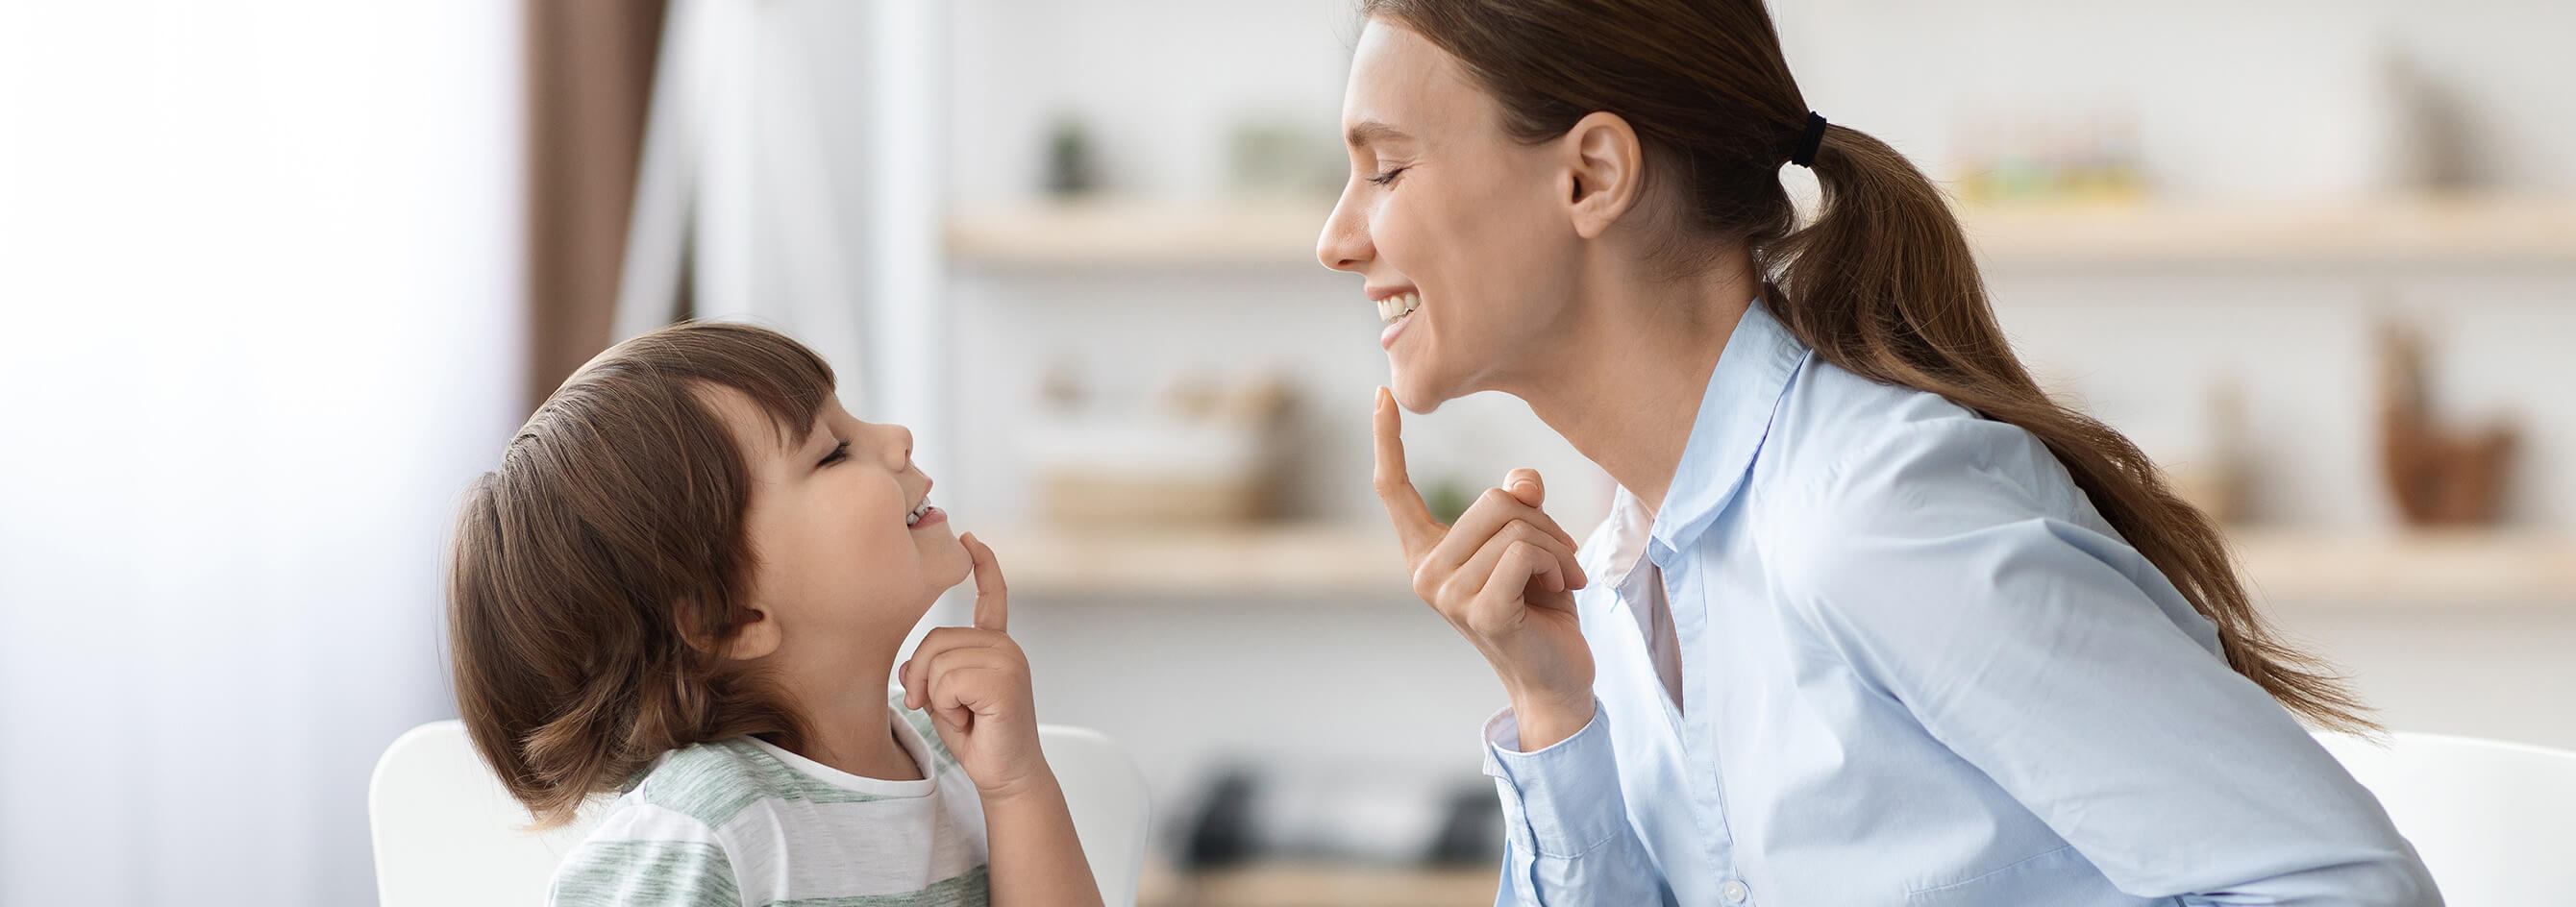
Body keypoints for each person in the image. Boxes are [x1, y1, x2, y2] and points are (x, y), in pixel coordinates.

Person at [1318, 2, 2440, 904]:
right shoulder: (1617, 580)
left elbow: (2341, 885)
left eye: (1384, 167)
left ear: (1591, 175)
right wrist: (1554, 709)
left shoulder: (1876, 514)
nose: (1337, 236)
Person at [446, 321, 1101, 907]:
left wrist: (1015, 788)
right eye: (834, 451)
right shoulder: (703, 826)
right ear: (730, 620)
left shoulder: (956, 761)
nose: (897, 438)